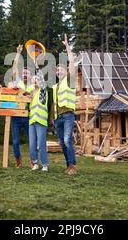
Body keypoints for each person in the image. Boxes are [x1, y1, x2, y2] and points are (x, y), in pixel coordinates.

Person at [51, 34, 78, 175]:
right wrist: (52, 118)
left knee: (67, 140)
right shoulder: (55, 86)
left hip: (68, 115)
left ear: (65, 71)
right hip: (58, 118)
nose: (59, 71)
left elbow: (72, 63)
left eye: (61, 69)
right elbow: (54, 103)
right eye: (57, 70)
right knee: (62, 143)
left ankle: (73, 166)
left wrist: (67, 46)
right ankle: (68, 165)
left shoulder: (69, 81)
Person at [10, 44, 34, 168]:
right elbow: (14, 68)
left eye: (27, 73)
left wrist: (29, 94)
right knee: (15, 141)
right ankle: (18, 160)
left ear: (30, 76)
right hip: (16, 116)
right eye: (23, 73)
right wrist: (18, 53)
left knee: (31, 141)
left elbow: (34, 98)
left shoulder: (32, 86)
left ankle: (32, 160)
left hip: (28, 116)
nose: (24, 74)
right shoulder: (18, 83)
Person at [28, 60, 48, 171]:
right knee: (32, 145)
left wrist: (36, 65)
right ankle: (35, 163)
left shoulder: (42, 91)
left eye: (37, 79)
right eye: (33, 79)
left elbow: (41, 79)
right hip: (32, 122)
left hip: (41, 122)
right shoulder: (31, 94)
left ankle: (44, 164)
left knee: (41, 145)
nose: (35, 80)